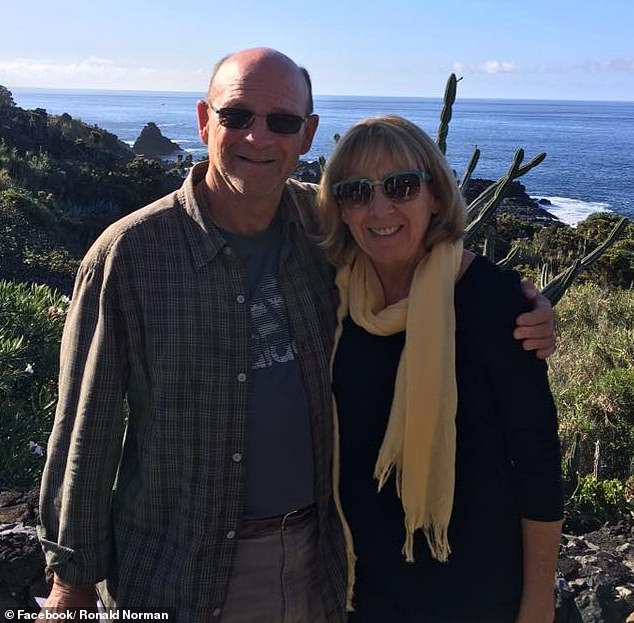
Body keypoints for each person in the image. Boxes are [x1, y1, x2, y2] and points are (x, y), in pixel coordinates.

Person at [37, 48, 555, 622]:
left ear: (306, 135)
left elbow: (422, 252)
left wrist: (519, 304)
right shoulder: (130, 256)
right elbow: (86, 430)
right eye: (237, 117)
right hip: (175, 574)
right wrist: (70, 587)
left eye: (281, 122)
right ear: (205, 121)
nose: (258, 138)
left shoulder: (326, 230)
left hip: (325, 570)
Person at [318, 116, 563, 623]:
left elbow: (538, 463)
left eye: (402, 186)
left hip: (476, 593)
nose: (380, 208)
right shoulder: (334, 299)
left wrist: (538, 602)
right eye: (357, 191)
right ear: (340, 208)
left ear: (435, 194)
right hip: (361, 591)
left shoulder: (497, 302)